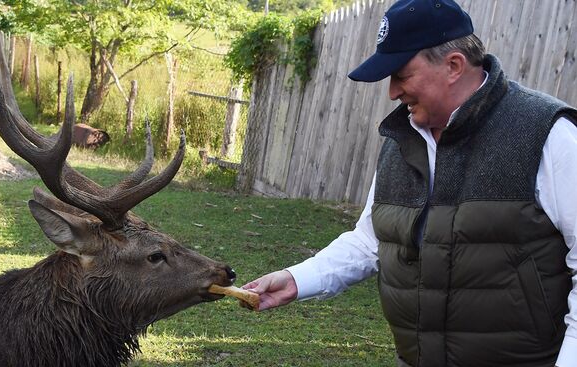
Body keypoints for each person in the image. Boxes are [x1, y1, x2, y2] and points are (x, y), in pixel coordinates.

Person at [241, 0, 577, 366]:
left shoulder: (547, 135)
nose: (392, 92)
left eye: (401, 74)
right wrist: (296, 280)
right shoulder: (402, 140)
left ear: (453, 66)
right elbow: (371, 239)